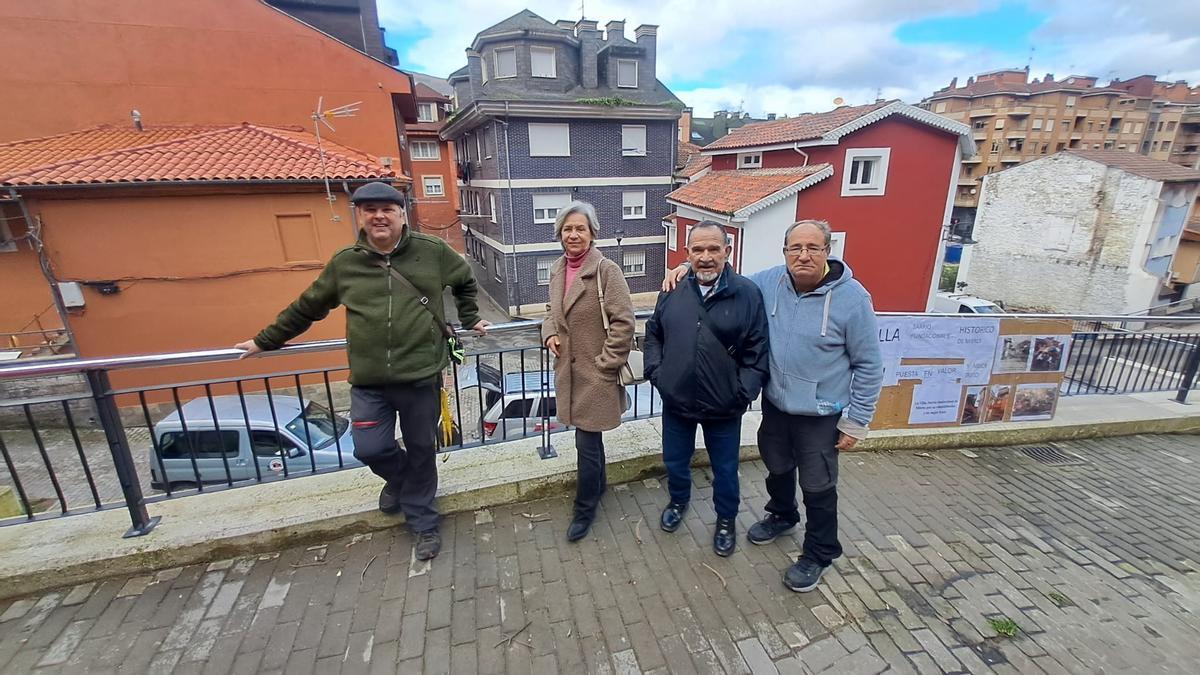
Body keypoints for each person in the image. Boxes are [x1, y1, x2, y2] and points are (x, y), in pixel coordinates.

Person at [235, 181, 489, 560]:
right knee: (370, 448)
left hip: (421, 375)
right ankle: (403, 484)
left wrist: (469, 317)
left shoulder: (431, 251)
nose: (378, 215)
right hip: (370, 382)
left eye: (386, 208)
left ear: (402, 214)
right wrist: (265, 340)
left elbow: (465, 282)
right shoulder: (346, 263)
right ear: (360, 215)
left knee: (421, 450)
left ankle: (423, 524)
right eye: (369, 209)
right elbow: (308, 307)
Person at [663, 219, 882, 589]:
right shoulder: (770, 283)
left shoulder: (853, 299)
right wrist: (686, 268)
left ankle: (819, 552)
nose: (804, 255)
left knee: (818, 485)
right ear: (784, 252)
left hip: (821, 413)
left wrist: (857, 420)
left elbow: (870, 364)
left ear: (828, 251)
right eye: (795, 248)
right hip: (777, 405)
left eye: (813, 248)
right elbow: (720, 275)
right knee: (777, 468)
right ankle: (782, 516)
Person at [644, 220, 770, 557]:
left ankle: (726, 520)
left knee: (726, 470)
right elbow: (653, 333)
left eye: (714, 248)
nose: (706, 256)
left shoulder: (747, 293)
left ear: (727, 252)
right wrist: (657, 374)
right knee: (674, 461)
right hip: (678, 401)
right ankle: (678, 501)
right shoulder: (673, 289)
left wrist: (742, 393)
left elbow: (758, 352)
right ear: (687, 254)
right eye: (697, 249)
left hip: (725, 407)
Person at [541, 202, 635, 542]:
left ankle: (584, 508)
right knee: (590, 441)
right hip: (569, 370)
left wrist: (605, 365)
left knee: (586, 441)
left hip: (595, 374)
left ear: (592, 233)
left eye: (580, 228)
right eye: (568, 229)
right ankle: (599, 487)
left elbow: (624, 322)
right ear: (560, 234)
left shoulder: (606, 270)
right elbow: (552, 310)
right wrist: (549, 332)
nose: (573, 234)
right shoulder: (556, 269)